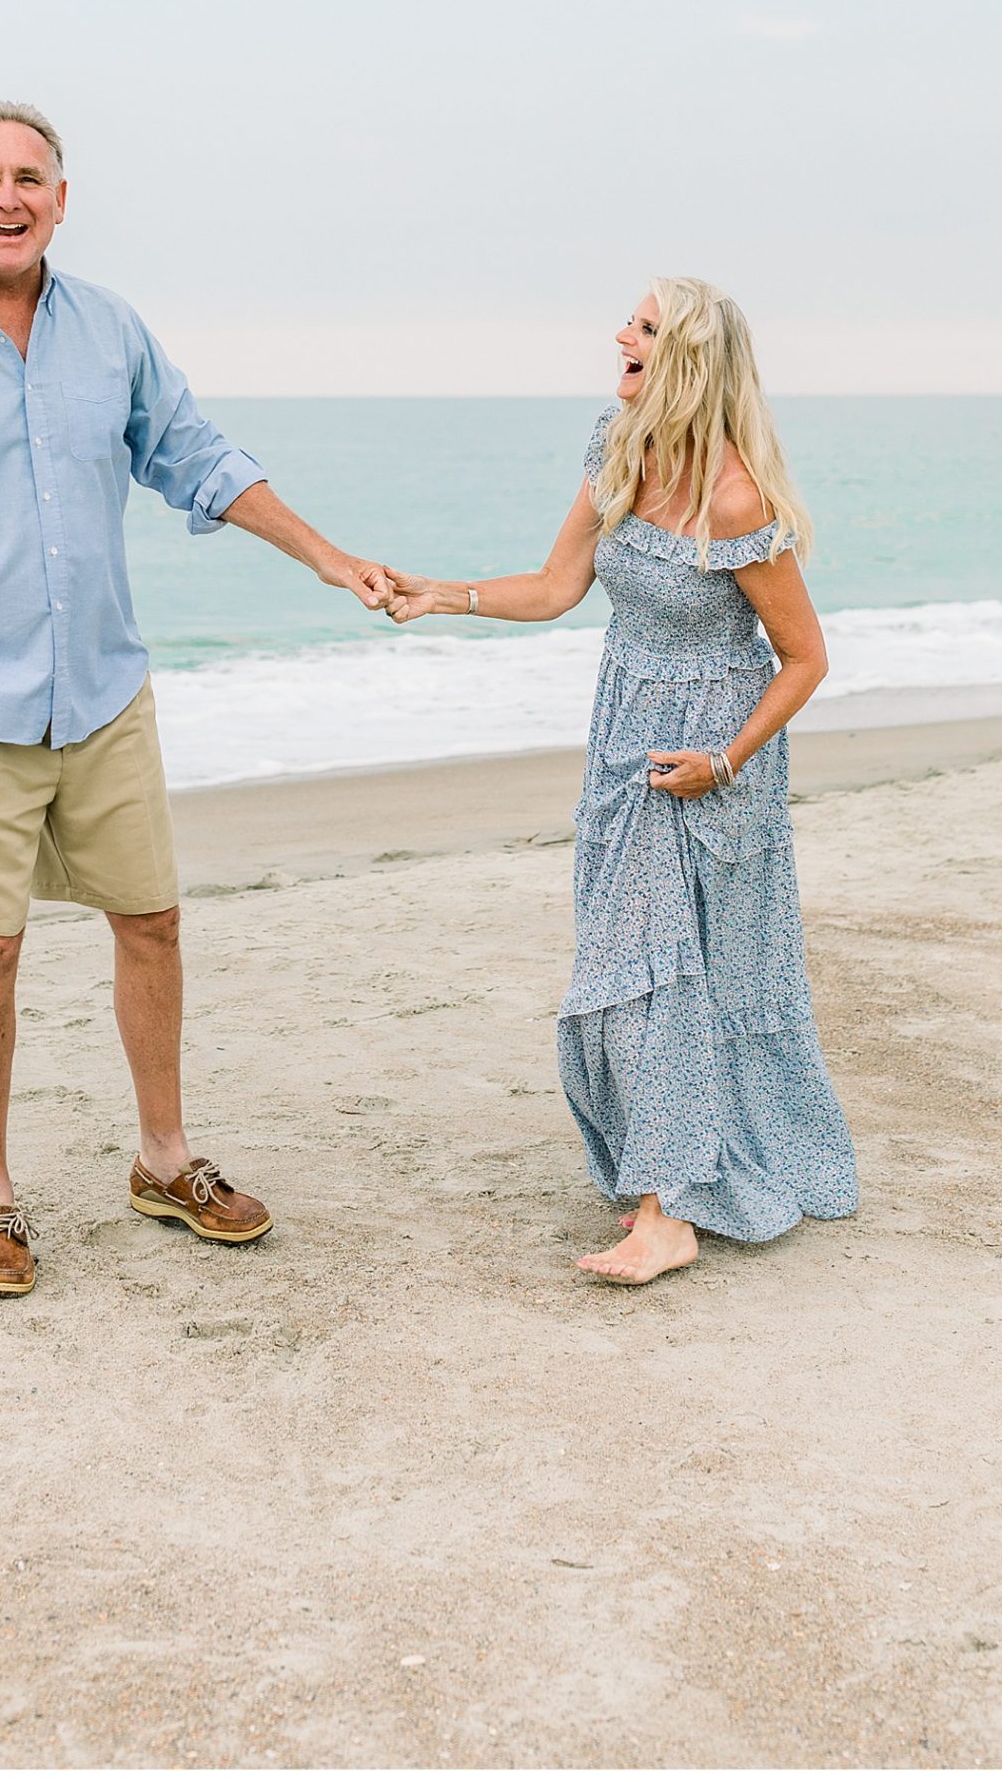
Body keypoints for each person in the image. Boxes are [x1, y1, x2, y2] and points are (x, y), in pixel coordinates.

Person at [0, 102, 392, 1297]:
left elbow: (199, 458)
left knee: (153, 921)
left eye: (30, 178)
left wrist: (326, 557)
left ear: (63, 199)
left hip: (104, 689)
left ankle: (164, 1161)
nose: (7, 197)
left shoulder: (109, 330)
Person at [384, 277, 857, 1284]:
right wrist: (443, 594)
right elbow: (558, 586)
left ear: (686, 355)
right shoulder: (618, 445)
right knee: (626, 957)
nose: (620, 335)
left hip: (708, 760)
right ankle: (676, 1172)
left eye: (643, 326)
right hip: (622, 743)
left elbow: (805, 656)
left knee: (664, 974)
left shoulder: (736, 495)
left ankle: (664, 1214)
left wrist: (724, 760)